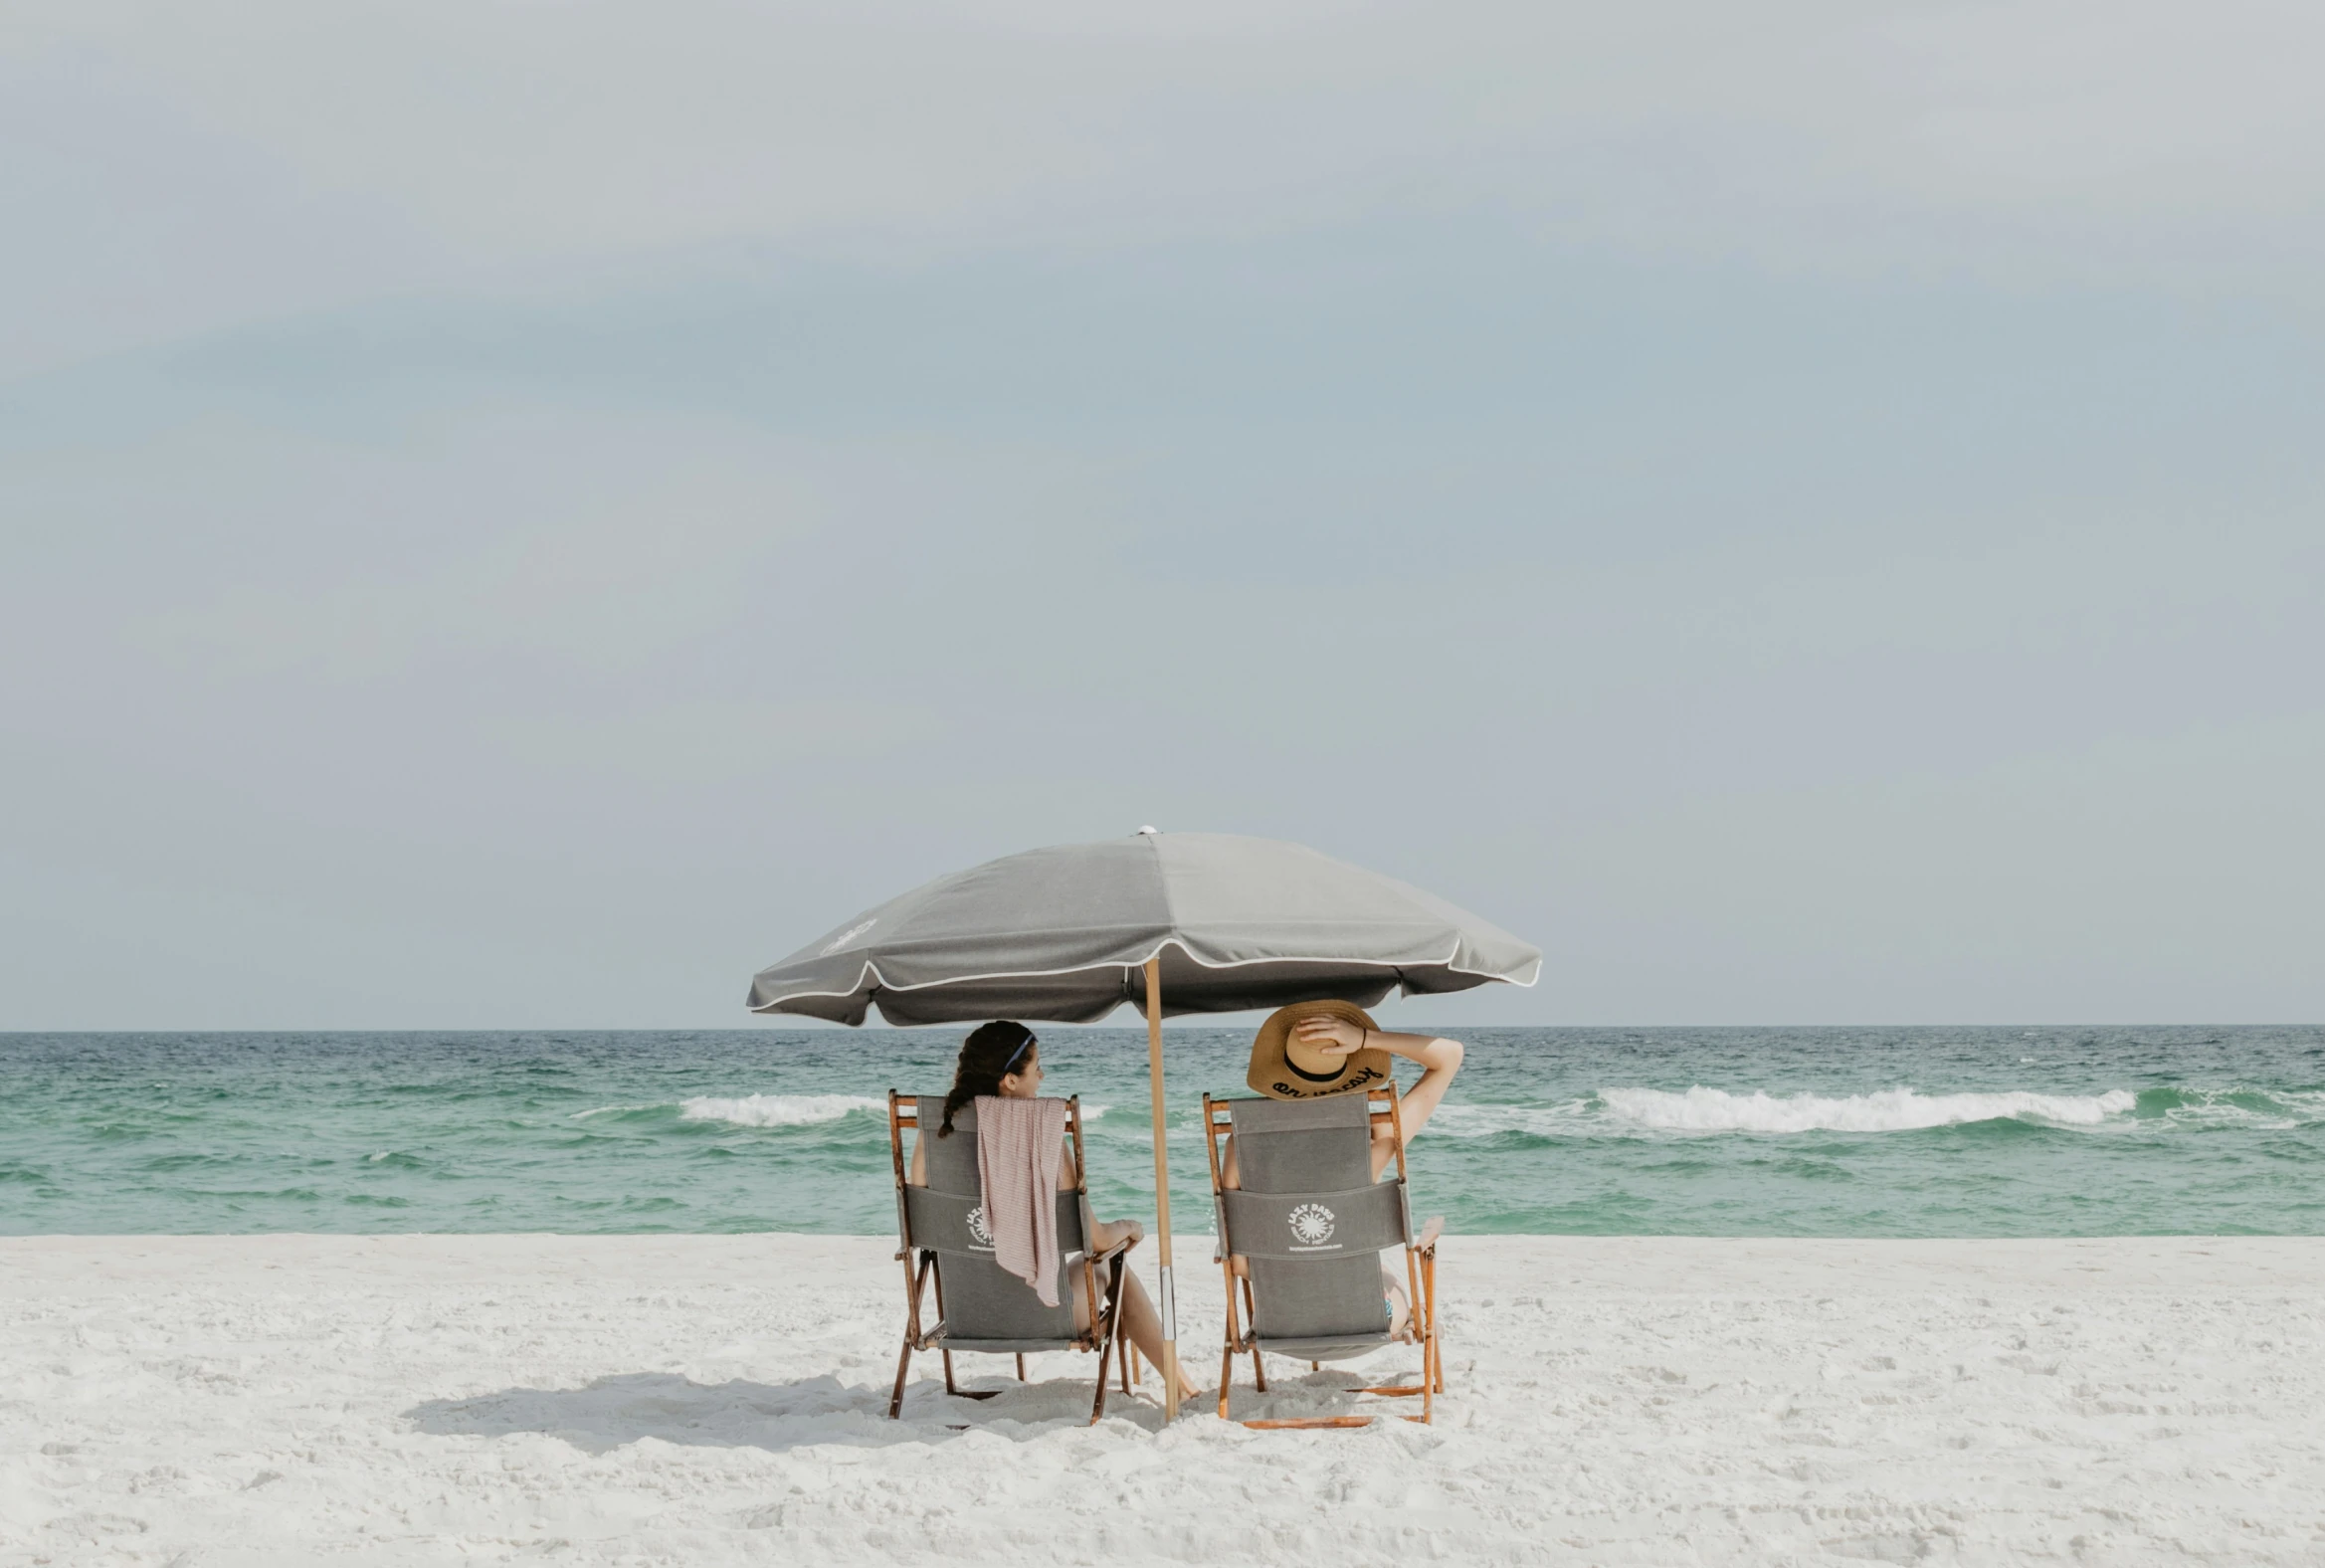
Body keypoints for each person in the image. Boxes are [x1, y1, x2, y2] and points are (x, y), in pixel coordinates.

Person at [909, 1021, 1200, 1402]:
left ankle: (1182, 1386)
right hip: (1044, 1314)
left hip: (964, 1313)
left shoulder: (934, 1136)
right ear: (1010, 1081)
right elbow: (1094, 1239)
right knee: (1114, 1269)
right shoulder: (1042, 1135)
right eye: (1036, 1068)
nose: (1042, 1076)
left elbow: (921, 1224)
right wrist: (1128, 1227)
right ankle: (1184, 1389)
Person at [1221, 999, 1463, 1336]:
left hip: (1281, 1324)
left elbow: (1242, 1264)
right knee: (1387, 1276)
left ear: (1279, 1069)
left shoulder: (1240, 1146)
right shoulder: (1374, 1143)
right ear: (1350, 1073)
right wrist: (1366, 1038)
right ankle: (1408, 1318)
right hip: (1370, 1320)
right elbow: (1450, 1056)